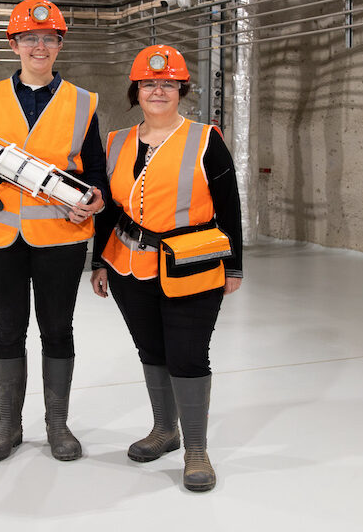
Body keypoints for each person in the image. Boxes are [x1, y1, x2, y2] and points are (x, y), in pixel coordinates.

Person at [0, 0, 107, 463]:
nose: (40, 46)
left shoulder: (83, 102)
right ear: (13, 44)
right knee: (7, 330)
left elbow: (95, 170)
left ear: (59, 45)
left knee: (57, 330)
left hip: (60, 237)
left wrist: (94, 200)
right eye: (30, 38)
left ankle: (57, 425)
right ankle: (8, 426)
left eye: (49, 38)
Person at [89, 44, 243, 492]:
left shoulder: (205, 139)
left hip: (191, 264)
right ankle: (165, 430)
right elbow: (107, 210)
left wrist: (233, 266)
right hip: (126, 262)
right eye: (149, 83)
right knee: (151, 350)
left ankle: (196, 447)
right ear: (136, 89)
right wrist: (100, 260)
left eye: (168, 83)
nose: (158, 90)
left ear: (181, 90)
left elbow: (229, 206)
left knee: (188, 354)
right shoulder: (117, 140)